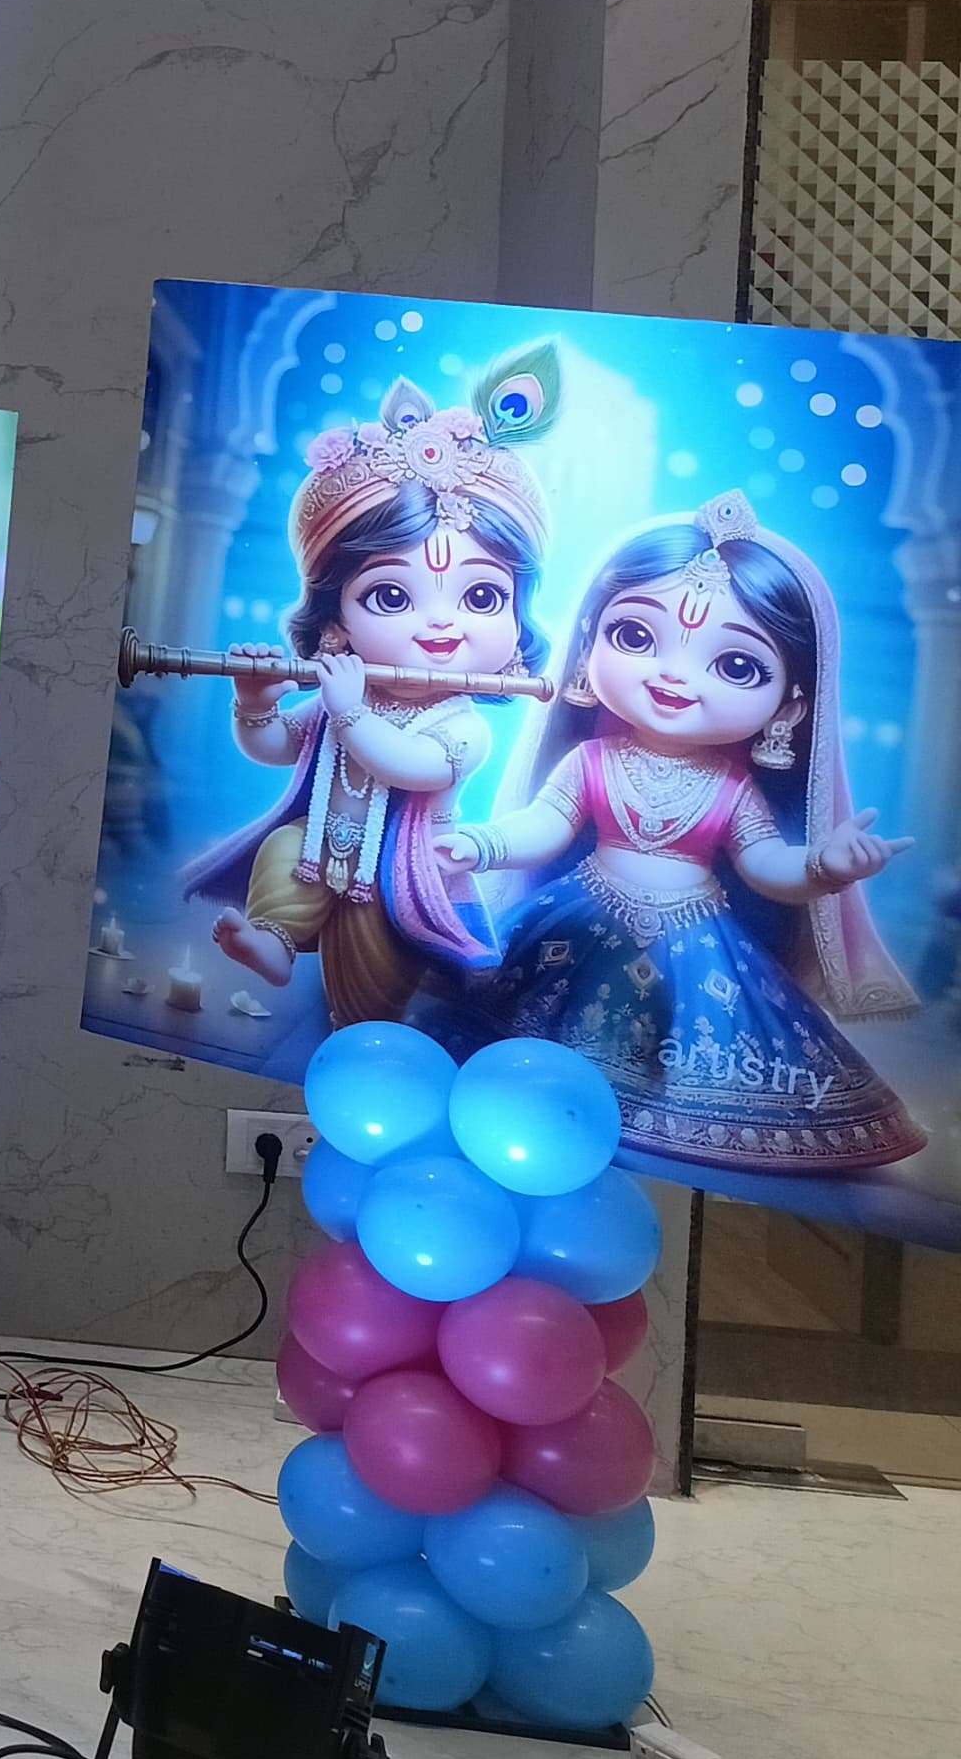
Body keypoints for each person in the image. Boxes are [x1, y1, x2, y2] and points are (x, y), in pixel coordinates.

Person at [441, 498, 924, 1174]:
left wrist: (823, 867)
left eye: (736, 667)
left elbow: (765, 865)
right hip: (576, 924)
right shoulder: (593, 762)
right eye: (636, 636)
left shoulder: (731, 788)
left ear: (790, 707)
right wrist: (484, 844)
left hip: (696, 950)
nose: (673, 674)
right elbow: (545, 825)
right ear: (588, 646)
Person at [189, 367, 553, 1026]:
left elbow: (414, 767)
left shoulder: (461, 724)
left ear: (516, 628)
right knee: (281, 851)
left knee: (371, 978)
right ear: (335, 624)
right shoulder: (346, 693)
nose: (440, 624)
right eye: (390, 596)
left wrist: (350, 711)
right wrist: (255, 703)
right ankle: (273, 940)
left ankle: (363, 1025)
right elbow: (275, 748)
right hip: (316, 848)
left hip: (402, 874)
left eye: (480, 596)